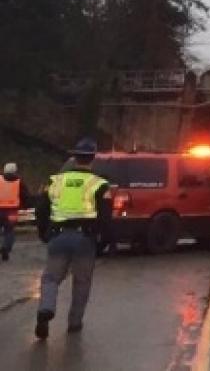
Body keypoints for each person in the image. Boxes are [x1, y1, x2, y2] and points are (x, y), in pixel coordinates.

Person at [33, 138, 112, 339]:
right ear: (92, 158)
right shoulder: (100, 184)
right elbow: (105, 216)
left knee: (50, 278)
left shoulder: (54, 181)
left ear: (74, 157)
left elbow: (41, 209)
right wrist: (103, 240)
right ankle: (74, 323)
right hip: (84, 239)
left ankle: (46, 309)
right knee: (81, 282)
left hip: (58, 236)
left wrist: (43, 232)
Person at [2, 162, 33, 261]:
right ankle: (6, 248)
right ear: (15, 171)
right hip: (12, 210)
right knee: (9, 231)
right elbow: (26, 197)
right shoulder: (19, 183)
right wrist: (27, 207)